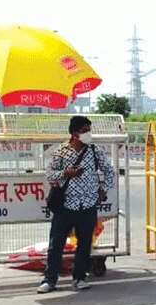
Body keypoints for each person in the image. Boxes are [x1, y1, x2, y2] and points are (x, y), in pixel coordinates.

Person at [38, 116, 115, 293]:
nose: (88, 134)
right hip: (65, 205)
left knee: (84, 243)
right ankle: (50, 280)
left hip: (87, 205)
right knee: (55, 245)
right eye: (84, 130)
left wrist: (104, 189)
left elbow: (109, 172)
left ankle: (79, 277)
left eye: (89, 130)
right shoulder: (62, 152)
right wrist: (66, 173)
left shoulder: (95, 151)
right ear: (74, 133)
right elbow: (49, 174)